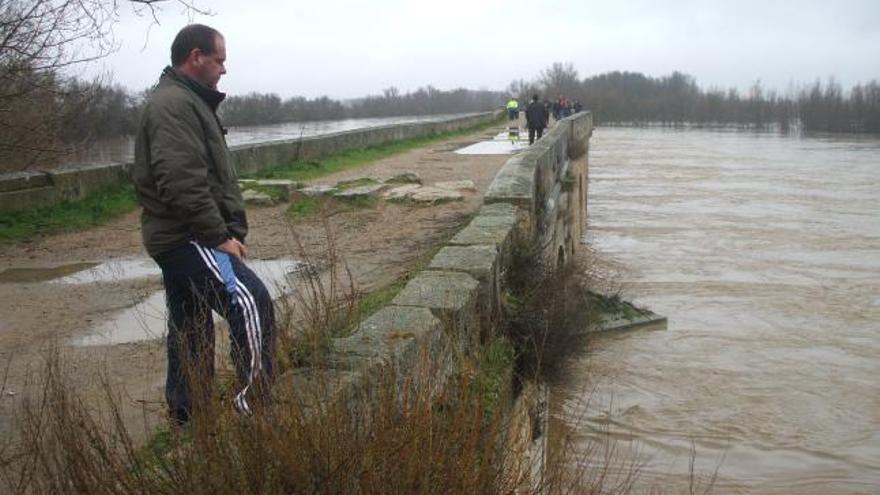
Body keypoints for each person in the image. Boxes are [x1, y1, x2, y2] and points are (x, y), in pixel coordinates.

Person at [132, 24, 276, 423]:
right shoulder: (175, 105)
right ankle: (254, 409)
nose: (224, 70)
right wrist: (219, 237)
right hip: (187, 235)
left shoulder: (184, 101)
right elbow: (181, 181)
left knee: (190, 324)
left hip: (177, 236)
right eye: (220, 60)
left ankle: (187, 412)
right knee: (250, 302)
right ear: (196, 57)